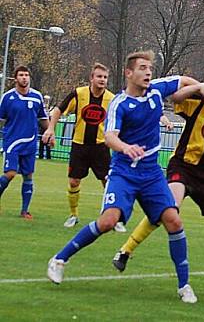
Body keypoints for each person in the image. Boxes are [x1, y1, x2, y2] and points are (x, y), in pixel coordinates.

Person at [46, 50, 204, 303]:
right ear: (129, 72)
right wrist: (125, 147)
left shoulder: (157, 90)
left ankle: (184, 285)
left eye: (150, 68)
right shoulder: (119, 103)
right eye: (142, 68)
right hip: (124, 172)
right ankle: (59, 259)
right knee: (108, 221)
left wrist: (201, 86)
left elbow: (181, 80)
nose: (148, 72)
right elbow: (110, 136)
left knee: (174, 221)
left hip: (151, 174)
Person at [110, 68, 204, 297]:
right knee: (169, 209)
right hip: (182, 166)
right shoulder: (200, 102)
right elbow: (175, 98)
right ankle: (125, 251)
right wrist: (200, 87)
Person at [41, 63, 123, 230]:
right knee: (73, 181)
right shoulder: (79, 94)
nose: (102, 80)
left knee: (107, 182)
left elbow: (122, 119)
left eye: (105, 77)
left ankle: (112, 218)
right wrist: (51, 129)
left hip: (101, 147)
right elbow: (57, 110)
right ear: (91, 78)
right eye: (99, 76)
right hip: (79, 146)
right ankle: (73, 215)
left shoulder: (112, 99)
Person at [0, 66, 49, 218]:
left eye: (26, 75)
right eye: (21, 75)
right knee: (11, 173)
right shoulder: (8, 98)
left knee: (28, 175)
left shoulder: (36, 96)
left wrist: (50, 132)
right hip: (12, 142)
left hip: (30, 143)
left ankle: (24, 211)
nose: (24, 78)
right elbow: (1, 120)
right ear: (16, 78)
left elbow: (43, 118)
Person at [38, 95, 52, 160]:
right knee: (42, 143)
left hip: (48, 129)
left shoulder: (49, 111)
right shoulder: (42, 109)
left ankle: (48, 156)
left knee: (48, 144)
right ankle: (41, 155)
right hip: (42, 130)